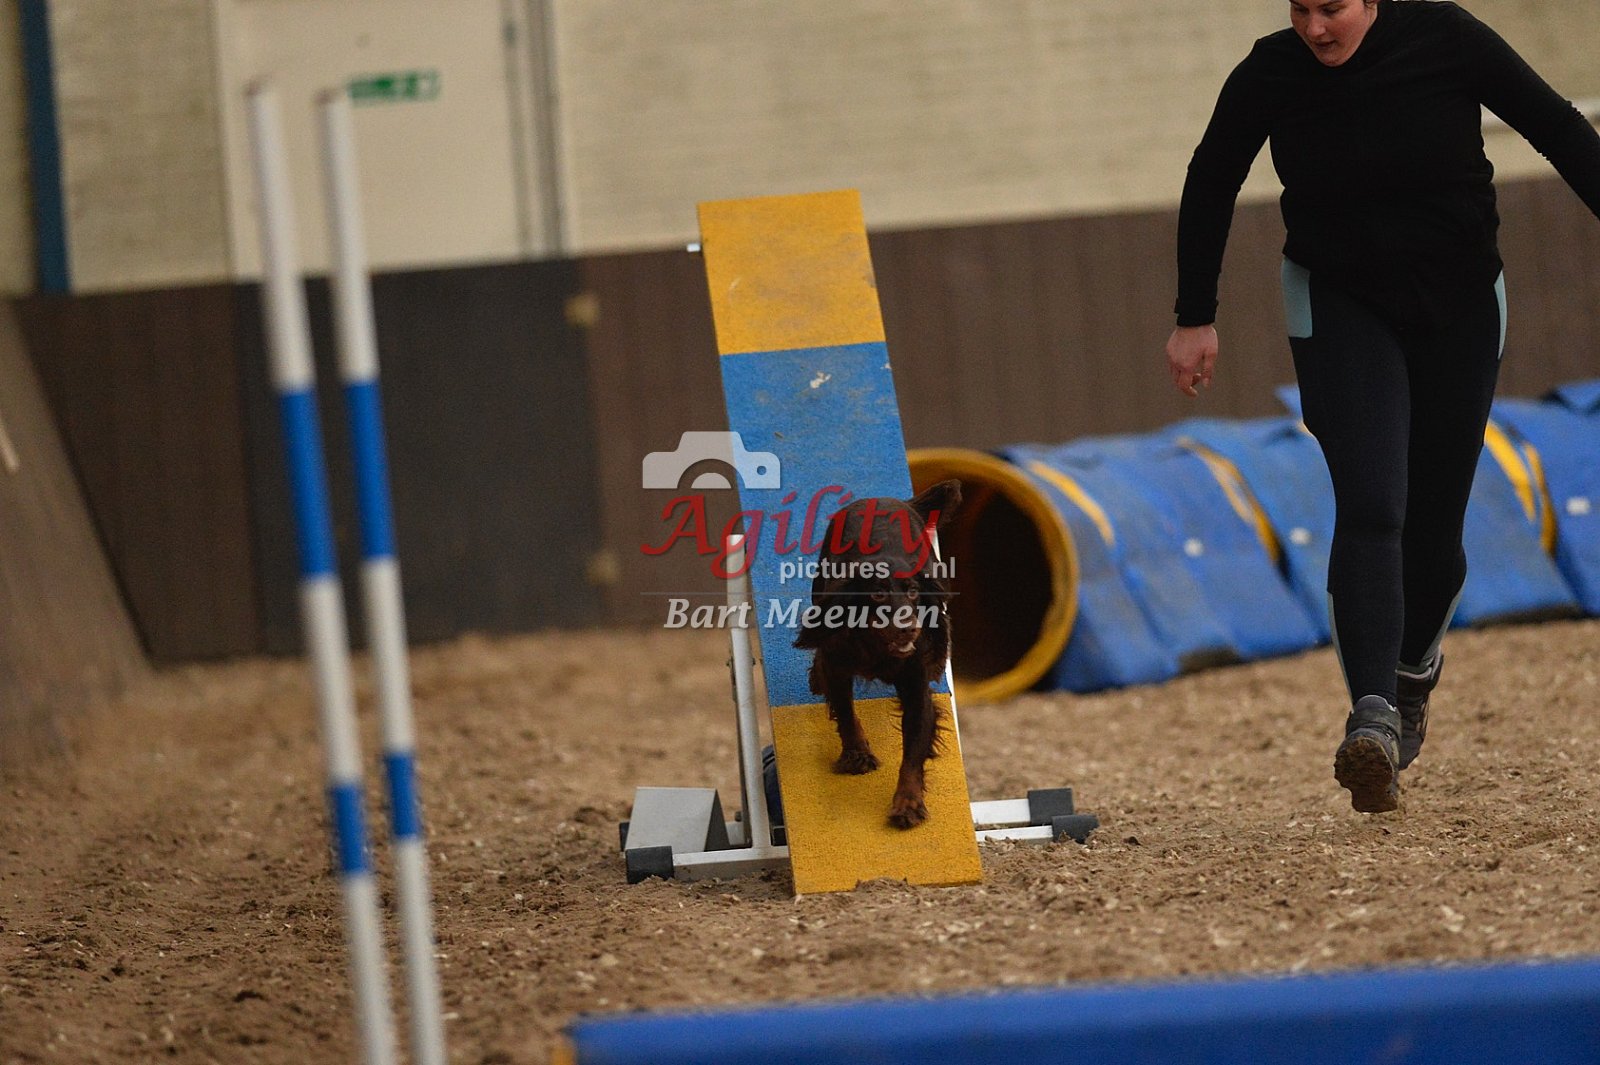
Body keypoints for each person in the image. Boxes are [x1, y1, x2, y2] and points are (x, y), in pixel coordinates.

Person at [1165, 0, 1600, 812]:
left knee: (1434, 528)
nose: (1315, 29)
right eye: (1300, 9)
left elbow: (1557, 127)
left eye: (1332, 8)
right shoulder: (1271, 71)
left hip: (1460, 304)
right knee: (1372, 503)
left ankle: (1411, 673)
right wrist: (1195, 315)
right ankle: (1371, 715)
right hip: (1341, 303)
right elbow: (1213, 175)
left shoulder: (1447, 39)